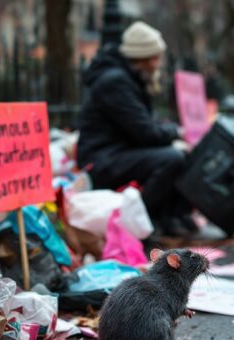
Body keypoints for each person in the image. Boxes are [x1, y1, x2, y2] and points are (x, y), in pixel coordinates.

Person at [77, 21, 195, 237]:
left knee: (180, 155)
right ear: (144, 58)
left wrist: (172, 133)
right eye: (156, 58)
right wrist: (176, 134)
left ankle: (170, 218)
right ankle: (135, 222)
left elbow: (144, 122)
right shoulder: (115, 82)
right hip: (102, 160)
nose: (158, 64)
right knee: (172, 159)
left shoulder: (126, 78)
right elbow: (145, 132)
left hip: (115, 153)